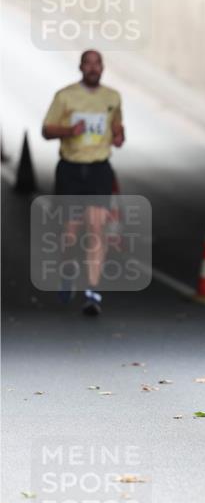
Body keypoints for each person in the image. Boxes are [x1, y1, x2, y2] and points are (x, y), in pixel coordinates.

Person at [42, 49, 125, 315]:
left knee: (96, 230)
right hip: (71, 169)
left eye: (97, 64)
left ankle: (92, 291)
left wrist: (118, 135)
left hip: (99, 169)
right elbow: (46, 129)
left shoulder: (112, 97)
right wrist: (69, 130)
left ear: (102, 68)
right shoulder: (65, 96)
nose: (92, 68)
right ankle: (68, 269)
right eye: (88, 64)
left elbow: (117, 129)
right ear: (80, 67)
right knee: (70, 232)